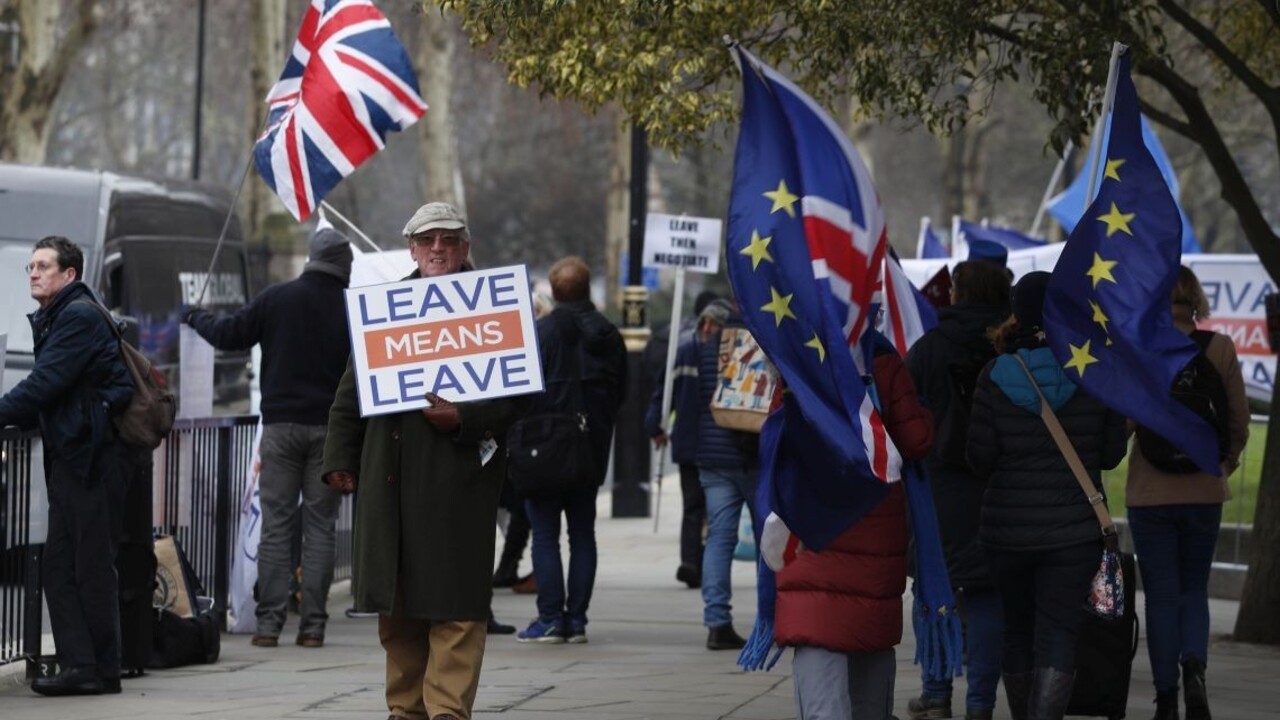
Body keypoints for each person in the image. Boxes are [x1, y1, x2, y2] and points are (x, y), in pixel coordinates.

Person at [322, 202, 529, 720]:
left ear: (465, 248)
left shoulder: (493, 307)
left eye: (450, 240)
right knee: (398, 613)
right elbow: (352, 392)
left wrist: (465, 416)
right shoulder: (385, 309)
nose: (439, 248)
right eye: (428, 240)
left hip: (456, 483)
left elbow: (518, 395)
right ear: (412, 248)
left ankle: (447, 712)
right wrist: (339, 458)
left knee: (456, 608)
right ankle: (405, 710)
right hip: (388, 484)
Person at [966, 271, 1128, 720]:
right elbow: (1113, 454)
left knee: (1016, 630)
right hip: (1075, 534)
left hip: (1006, 533)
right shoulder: (1092, 374)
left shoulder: (994, 375)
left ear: (1018, 314)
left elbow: (978, 458)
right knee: (1059, 632)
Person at [184, 226, 352, 649]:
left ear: (312, 258)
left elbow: (228, 335)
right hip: (331, 433)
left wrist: (194, 315)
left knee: (276, 525)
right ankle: (313, 626)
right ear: (345, 265)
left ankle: (269, 624)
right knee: (320, 528)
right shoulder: (354, 309)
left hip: (280, 430)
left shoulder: (278, 299)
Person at [0, 236, 133, 695]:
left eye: (43, 266)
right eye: (31, 266)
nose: (33, 273)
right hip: (77, 456)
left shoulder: (75, 317)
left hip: (90, 458)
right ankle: (84, 666)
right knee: (59, 566)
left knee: (88, 566)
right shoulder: (64, 314)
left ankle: (97, 669)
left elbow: (44, 384)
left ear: (68, 275)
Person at [781, 330, 934, 720]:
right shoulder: (882, 361)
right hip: (874, 536)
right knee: (869, 673)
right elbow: (916, 440)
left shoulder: (798, 356)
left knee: (821, 687)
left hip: (814, 533)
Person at [1125, 266, 1249, 720]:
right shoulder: (1219, 348)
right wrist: (1223, 465)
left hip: (1149, 493)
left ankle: (1165, 697)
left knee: (1160, 596)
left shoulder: (1143, 349)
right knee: (1193, 590)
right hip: (1203, 489)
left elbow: (1125, 422)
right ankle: (1194, 665)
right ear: (1196, 300)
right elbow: (1238, 421)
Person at [904, 260, 1012, 720]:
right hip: (999, 488)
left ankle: (936, 691)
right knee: (987, 595)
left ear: (957, 294)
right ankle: (981, 702)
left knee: (935, 590)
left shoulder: (928, 349)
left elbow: (903, 419)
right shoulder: (1009, 350)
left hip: (938, 489)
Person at [516, 257, 628, 644]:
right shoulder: (609, 334)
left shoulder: (540, 332)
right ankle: (577, 619)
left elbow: (522, 392)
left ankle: (549, 618)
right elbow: (621, 391)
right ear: (586, 289)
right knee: (583, 533)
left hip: (544, 449)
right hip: (590, 447)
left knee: (544, 534)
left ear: (554, 289)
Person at [672, 299, 759, 650]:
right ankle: (771, 618)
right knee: (770, 538)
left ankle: (717, 621)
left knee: (720, 537)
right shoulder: (763, 343)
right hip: (753, 454)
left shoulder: (710, 348)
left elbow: (697, 399)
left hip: (712, 452)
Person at [645, 290, 720, 589]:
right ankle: (691, 562)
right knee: (695, 506)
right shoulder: (689, 352)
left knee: (709, 509)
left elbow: (664, 392)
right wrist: (656, 426)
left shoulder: (687, 350)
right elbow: (664, 393)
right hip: (694, 442)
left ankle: (698, 561)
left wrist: (656, 425)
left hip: (706, 443)